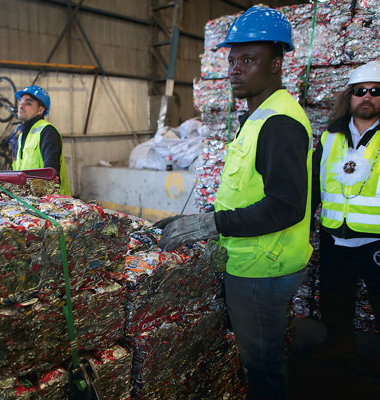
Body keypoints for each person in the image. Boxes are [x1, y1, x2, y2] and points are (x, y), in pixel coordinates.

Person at [155, 6, 312, 400]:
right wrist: (207, 218)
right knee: (258, 355)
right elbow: (251, 191)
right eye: (232, 60)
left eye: (248, 60)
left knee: (262, 363)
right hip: (254, 258)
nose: (235, 69)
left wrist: (213, 225)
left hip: (264, 267)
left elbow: (286, 205)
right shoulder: (258, 117)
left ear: (276, 64)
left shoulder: (278, 123)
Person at [310, 61, 380, 360]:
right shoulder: (330, 138)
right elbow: (313, 186)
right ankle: (340, 347)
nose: (367, 96)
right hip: (334, 235)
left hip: (375, 239)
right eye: (360, 91)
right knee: (334, 298)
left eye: (376, 91)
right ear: (349, 97)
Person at [12, 85, 71, 195]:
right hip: (30, 200)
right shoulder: (22, 136)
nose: (21, 106)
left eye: (28, 103)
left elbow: (51, 174)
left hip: (51, 203)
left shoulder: (47, 131)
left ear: (40, 110)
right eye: (21, 102)